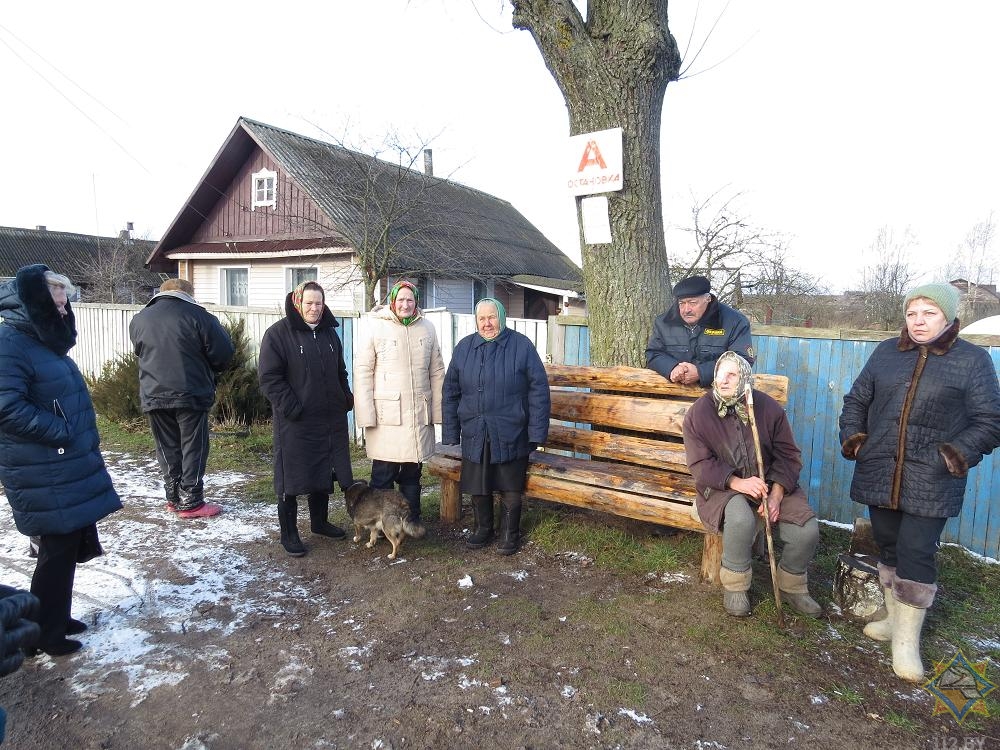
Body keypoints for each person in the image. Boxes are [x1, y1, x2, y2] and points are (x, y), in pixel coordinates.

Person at [839, 283, 1000, 682]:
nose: (918, 321)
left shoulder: (972, 360)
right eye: (912, 313)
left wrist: (953, 455)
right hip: (880, 469)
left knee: (916, 552)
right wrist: (856, 439)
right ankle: (896, 623)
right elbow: (856, 399)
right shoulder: (886, 353)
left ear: (947, 317)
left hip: (932, 479)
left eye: (928, 313)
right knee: (889, 547)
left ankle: (907, 644)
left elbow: (990, 421)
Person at [0, 265, 122, 656]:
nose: (63, 309)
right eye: (55, 302)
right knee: (55, 547)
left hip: (59, 464)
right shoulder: (11, 343)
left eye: (65, 301)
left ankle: (51, 616)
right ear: (33, 303)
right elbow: (6, 407)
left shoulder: (42, 342)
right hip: (40, 466)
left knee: (63, 545)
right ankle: (46, 634)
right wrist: (59, 430)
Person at [683, 351, 821, 618]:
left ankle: (792, 585)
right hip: (722, 487)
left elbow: (789, 455)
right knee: (740, 520)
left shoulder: (767, 408)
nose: (722, 381)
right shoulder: (700, 413)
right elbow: (700, 465)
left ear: (745, 378)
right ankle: (735, 585)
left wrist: (777, 494)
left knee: (807, 530)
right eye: (719, 375)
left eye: (731, 375)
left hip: (771, 483)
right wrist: (738, 482)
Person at [442, 298, 550, 555]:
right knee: (478, 484)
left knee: (509, 485)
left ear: (501, 317)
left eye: (492, 317)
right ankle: (483, 529)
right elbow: (451, 392)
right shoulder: (464, 348)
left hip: (511, 429)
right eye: (482, 318)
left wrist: (536, 433)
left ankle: (509, 534)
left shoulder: (521, 346)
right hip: (475, 429)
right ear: (476, 320)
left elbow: (538, 391)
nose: (487, 323)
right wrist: (450, 432)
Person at [258, 281, 355, 556]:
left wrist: (345, 397)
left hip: (329, 419)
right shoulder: (278, 335)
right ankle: (288, 534)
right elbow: (269, 378)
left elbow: (340, 371)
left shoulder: (329, 334)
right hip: (295, 422)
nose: (315, 308)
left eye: (319, 303)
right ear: (298, 303)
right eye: (310, 303)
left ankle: (320, 522)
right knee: (291, 478)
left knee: (323, 469)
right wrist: (292, 407)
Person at [129, 278, 234, 518]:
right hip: (191, 392)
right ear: (188, 294)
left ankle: (173, 498)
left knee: (166, 447)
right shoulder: (200, 317)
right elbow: (223, 354)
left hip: (153, 393)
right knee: (193, 446)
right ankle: (192, 501)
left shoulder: (139, 319)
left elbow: (139, 351)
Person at [353, 280, 445, 523]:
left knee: (412, 473)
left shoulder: (427, 328)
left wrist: (437, 412)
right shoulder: (375, 327)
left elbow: (437, 371)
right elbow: (362, 371)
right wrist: (366, 415)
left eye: (410, 300)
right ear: (392, 301)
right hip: (387, 418)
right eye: (401, 300)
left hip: (417, 415)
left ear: (416, 302)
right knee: (383, 473)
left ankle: (410, 518)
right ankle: (381, 522)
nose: (405, 304)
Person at [646, 275, 755, 387]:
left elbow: (742, 360)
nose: (686, 309)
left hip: (718, 394)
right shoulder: (664, 322)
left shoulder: (734, 322)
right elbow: (654, 353)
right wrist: (672, 368)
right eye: (682, 303)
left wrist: (701, 372)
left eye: (693, 303)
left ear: (708, 299)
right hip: (672, 394)